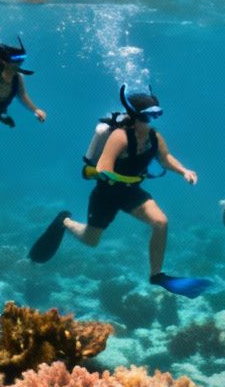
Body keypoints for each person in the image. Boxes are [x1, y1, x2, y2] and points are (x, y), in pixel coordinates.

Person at [27, 86, 208, 296]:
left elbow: (165, 158)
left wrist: (184, 171)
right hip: (106, 194)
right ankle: (64, 221)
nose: (149, 123)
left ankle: (156, 275)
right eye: (147, 118)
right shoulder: (120, 136)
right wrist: (123, 178)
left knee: (161, 222)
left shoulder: (154, 136)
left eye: (154, 117)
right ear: (135, 117)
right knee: (91, 241)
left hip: (131, 191)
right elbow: (104, 167)